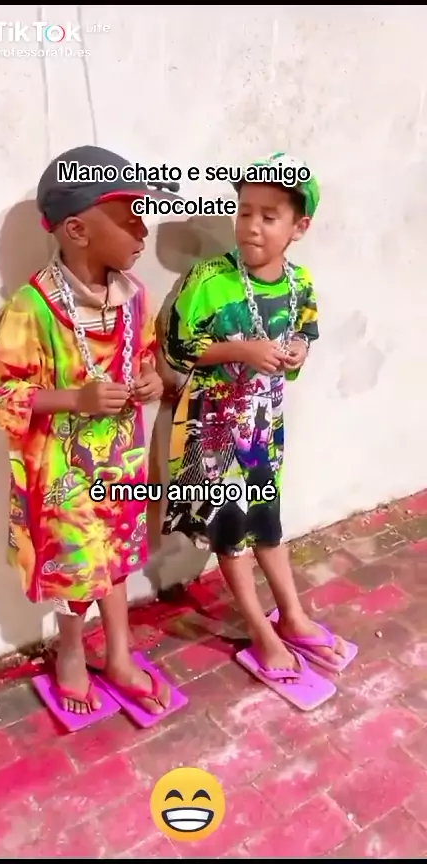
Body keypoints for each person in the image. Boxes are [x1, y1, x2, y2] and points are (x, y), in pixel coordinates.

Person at [0, 144, 175, 717]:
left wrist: (150, 380)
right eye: (130, 217)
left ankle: (119, 654)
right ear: (77, 230)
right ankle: (70, 651)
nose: (143, 231)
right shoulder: (34, 308)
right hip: (63, 477)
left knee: (116, 556)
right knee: (75, 569)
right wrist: (74, 399)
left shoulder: (133, 297)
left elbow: (146, 354)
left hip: (122, 465)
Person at [161, 153, 350, 692]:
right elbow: (176, 346)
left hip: (264, 430)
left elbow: (306, 331)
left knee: (266, 522)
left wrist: (298, 350)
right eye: (244, 211)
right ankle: (259, 630)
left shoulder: (299, 283)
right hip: (212, 432)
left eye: (269, 216)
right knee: (231, 531)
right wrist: (240, 349)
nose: (251, 226)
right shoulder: (210, 279)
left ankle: (292, 615)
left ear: (299, 227)